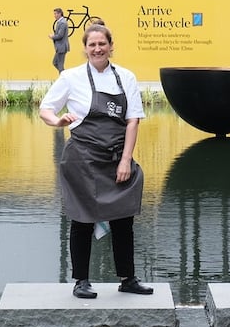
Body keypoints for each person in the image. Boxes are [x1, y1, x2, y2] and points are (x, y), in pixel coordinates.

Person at [39, 23, 153, 298]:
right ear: (85, 48)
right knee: (82, 219)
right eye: (92, 45)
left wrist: (126, 160)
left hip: (115, 157)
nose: (97, 49)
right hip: (82, 158)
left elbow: (133, 121)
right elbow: (46, 108)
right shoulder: (71, 77)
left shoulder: (125, 77)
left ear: (111, 46)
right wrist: (58, 121)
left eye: (102, 44)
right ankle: (81, 280)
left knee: (123, 218)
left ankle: (127, 278)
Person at [50, 7, 70, 74]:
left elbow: (60, 35)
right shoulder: (60, 22)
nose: (54, 15)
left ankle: (65, 77)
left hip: (61, 47)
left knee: (60, 65)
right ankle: (64, 76)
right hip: (60, 47)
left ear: (60, 14)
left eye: (55, 14)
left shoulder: (62, 23)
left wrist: (52, 36)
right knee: (55, 62)